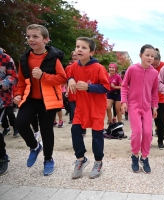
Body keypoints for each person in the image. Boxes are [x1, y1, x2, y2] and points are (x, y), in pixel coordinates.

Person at [13, 24, 66, 176]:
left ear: (46, 39)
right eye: (28, 36)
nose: (31, 39)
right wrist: (18, 94)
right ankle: (35, 147)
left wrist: (43, 76)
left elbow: (62, 78)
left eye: (35, 36)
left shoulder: (53, 59)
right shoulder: (24, 58)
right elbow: (21, 81)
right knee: (20, 123)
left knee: (46, 130)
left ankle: (48, 159)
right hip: (30, 99)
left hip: (48, 101)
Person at [67, 37, 109, 179]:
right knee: (75, 130)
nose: (79, 49)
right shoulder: (73, 67)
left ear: (91, 52)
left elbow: (106, 87)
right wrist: (70, 79)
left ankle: (98, 162)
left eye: (83, 47)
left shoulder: (98, 68)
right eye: (77, 46)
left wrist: (89, 87)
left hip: (96, 107)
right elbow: (67, 74)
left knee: (97, 136)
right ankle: (80, 159)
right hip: (81, 106)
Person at [121, 44, 158, 174]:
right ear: (140, 55)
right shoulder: (132, 69)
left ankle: (145, 157)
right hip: (133, 106)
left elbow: (154, 92)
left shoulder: (154, 73)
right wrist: (123, 101)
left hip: (147, 107)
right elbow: (124, 86)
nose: (150, 58)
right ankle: (135, 156)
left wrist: (155, 107)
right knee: (137, 132)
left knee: (148, 133)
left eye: (152, 56)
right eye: (147, 55)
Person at [0, 49, 18, 175]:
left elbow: (13, 77)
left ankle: (2, 157)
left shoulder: (5, 58)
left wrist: (1, 84)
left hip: (1, 100)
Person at [152, 48, 164, 149]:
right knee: (147, 120)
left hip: (161, 98)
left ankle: (160, 140)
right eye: (153, 64)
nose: (155, 67)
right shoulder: (147, 66)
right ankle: (147, 139)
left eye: (156, 64)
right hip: (148, 98)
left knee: (160, 120)